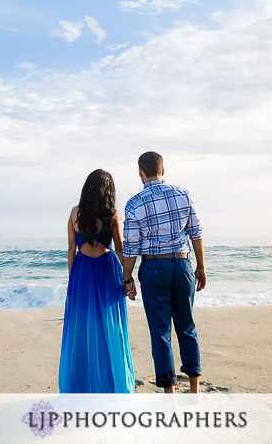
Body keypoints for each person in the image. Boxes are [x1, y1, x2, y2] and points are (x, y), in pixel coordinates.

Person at [121, 152, 206, 393]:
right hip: (182, 264)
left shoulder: (134, 203)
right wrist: (200, 266)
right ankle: (195, 388)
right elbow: (196, 233)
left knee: (160, 331)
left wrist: (127, 278)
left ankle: (169, 394)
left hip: (154, 268)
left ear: (140, 171)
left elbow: (131, 247)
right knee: (187, 326)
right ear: (163, 170)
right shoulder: (184, 194)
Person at [58, 169, 136, 393]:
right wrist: (128, 278)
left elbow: (71, 249)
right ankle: (112, 384)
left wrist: (72, 280)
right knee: (110, 325)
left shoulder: (75, 213)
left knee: (81, 327)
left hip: (82, 270)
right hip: (106, 269)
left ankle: (81, 384)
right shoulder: (112, 214)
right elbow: (120, 249)